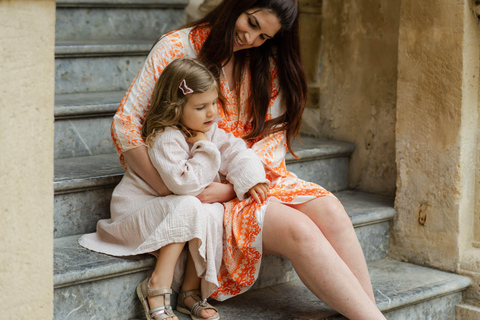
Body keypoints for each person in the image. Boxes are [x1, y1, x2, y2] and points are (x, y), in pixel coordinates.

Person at [108, 0, 387, 319]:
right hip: (194, 186)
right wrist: (167, 190)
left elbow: (271, 145)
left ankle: (369, 314)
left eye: (264, 37)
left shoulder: (263, 65)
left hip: (250, 180)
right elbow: (126, 124)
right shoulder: (177, 47)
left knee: (332, 211)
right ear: (236, 5)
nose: (252, 40)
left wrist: (234, 188)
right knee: (300, 231)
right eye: (252, 24)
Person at [79, 58, 270, 320]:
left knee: (213, 213)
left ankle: (189, 292)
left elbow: (237, 151)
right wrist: (205, 148)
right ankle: (157, 285)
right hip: (136, 213)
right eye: (201, 107)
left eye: (214, 103)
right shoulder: (165, 137)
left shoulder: (207, 130)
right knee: (190, 204)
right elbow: (184, 184)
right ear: (176, 107)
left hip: (168, 210)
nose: (212, 113)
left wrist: (251, 179)